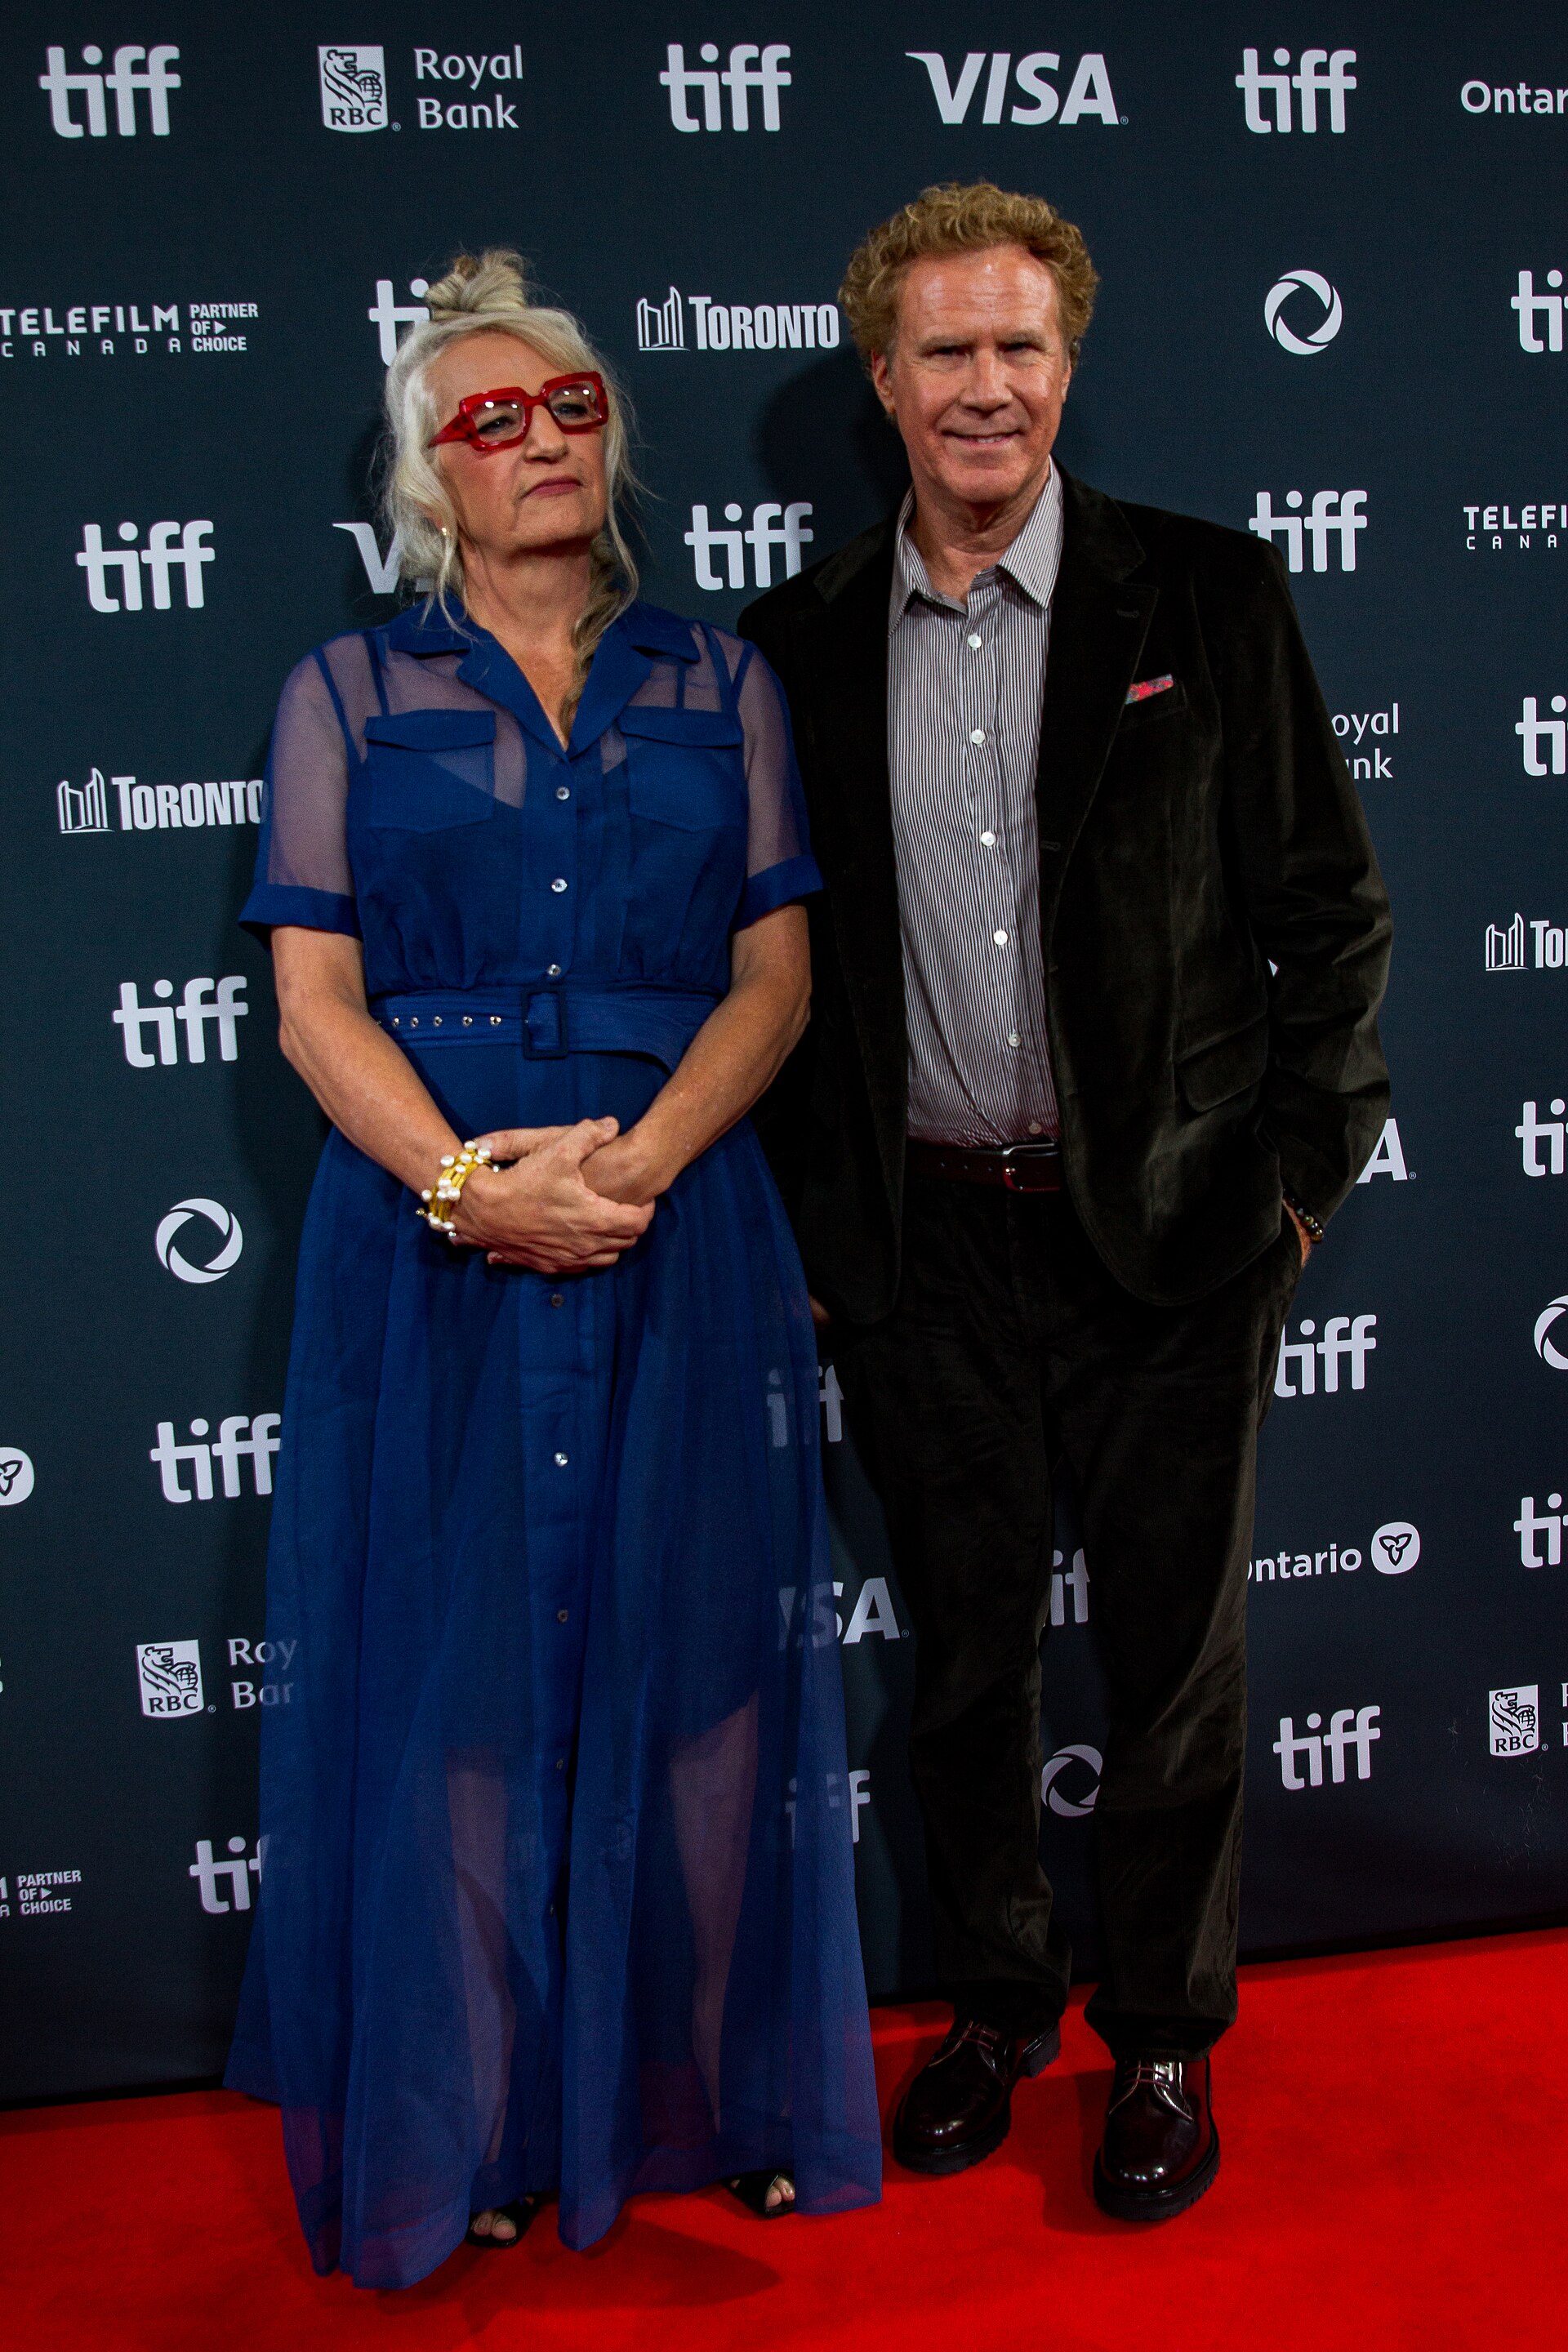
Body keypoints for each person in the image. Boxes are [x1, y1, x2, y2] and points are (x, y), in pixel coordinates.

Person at [224, 249, 880, 2288]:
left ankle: (710, 2097)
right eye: (488, 418)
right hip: (435, 1251)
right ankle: (483, 2124)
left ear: (612, 435)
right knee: (466, 1697)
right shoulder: (343, 695)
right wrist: (464, 1189)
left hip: (683, 1230)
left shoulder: (724, 683)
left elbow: (776, 977)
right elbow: (316, 1004)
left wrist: (646, 1164)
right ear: (428, 471)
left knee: (701, 1683)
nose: (538, 441)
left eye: (569, 406)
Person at [739, 183, 1391, 2221]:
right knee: (965, 1665)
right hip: (929, 1255)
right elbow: (774, 975)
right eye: (947, 350)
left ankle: (1169, 2045)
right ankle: (1005, 2006)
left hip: (1183, 1241)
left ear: (1067, 366)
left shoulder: (1203, 599)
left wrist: (1286, 1194)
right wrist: (834, 1245)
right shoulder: (801, 644)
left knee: (1180, 1674)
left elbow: (1330, 919)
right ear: (885, 379)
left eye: (1021, 346)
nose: (987, 386)